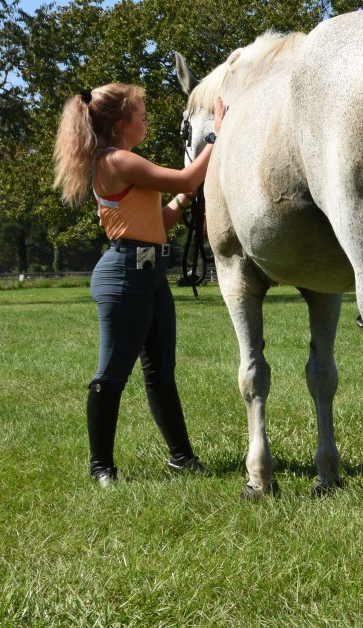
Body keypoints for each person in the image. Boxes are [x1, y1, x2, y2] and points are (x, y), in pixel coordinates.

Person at [52, 83, 225, 485]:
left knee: (161, 373)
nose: (146, 119)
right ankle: (101, 467)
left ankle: (182, 458)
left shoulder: (123, 162)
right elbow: (186, 177)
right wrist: (215, 133)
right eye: (141, 114)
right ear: (120, 123)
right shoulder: (115, 160)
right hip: (124, 276)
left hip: (150, 275)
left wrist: (185, 198)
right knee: (112, 374)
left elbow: (157, 221)